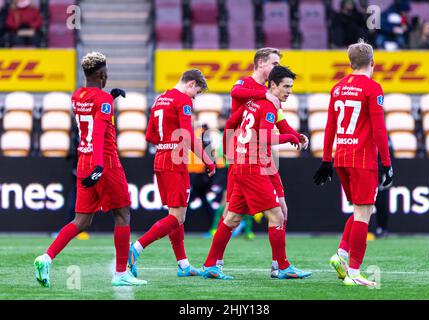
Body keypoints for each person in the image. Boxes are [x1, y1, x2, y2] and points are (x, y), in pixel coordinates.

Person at [34, 52, 147, 287]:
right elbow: (97, 132)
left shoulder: (78, 96)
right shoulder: (102, 100)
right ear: (102, 74)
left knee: (82, 221)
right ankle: (120, 274)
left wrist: (110, 98)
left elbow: (93, 114)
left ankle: (46, 258)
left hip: (83, 161)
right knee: (123, 214)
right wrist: (99, 166)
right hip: (104, 162)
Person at [201, 66, 312, 280]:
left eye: (291, 87)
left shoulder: (252, 103)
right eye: (285, 86)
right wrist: (290, 139)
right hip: (253, 166)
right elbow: (265, 138)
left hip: (243, 163)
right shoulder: (268, 106)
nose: (289, 91)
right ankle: (282, 267)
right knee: (277, 215)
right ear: (272, 85)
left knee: (232, 218)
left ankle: (210, 265)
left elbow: (233, 122)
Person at [313, 40, 393, 287]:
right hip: (363, 159)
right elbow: (379, 130)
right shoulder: (373, 87)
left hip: (342, 158)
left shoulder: (337, 88)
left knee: (362, 209)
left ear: (350, 63)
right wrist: (387, 164)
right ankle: (355, 272)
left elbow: (329, 128)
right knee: (363, 213)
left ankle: (342, 256)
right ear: (373, 63)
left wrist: (326, 160)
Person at [127, 69, 216, 278]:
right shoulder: (182, 100)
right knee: (178, 217)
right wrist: (208, 160)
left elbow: (150, 135)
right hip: (175, 161)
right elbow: (186, 136)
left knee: (175, 215)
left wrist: (167, 143)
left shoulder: (160, 99)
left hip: (160, 158)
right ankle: (136, 248)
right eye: (196, 93)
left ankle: (183, 265)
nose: (194, 97)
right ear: (191, 84)